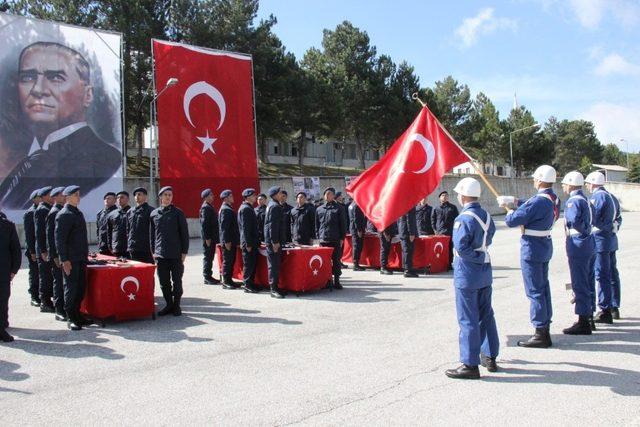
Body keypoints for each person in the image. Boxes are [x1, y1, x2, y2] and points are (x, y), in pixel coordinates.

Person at [0, 42, 121, 208]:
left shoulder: (105, 159)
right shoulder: (27, 159)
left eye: (56, 78)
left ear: (88, 94)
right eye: (28, 77)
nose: (38, 89)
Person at [501, 165, 560, 348]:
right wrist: (515, 200)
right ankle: (545, 327)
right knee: (543, 288)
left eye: (535, 178)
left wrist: (510, 210)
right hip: (543, 245)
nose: (533, 180)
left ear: (541, 179)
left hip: (532, 248)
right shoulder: (552, 198)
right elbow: (532, 205)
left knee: (534, 290)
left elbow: (512, 221)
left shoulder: (538, 201)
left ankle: (540, 331)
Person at [445, 178, 498, 379]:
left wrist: (476, 255)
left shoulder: (463, 219)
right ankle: (490, 356)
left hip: (468, 272)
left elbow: (461, 247)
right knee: (486, 315)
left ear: (464, 195)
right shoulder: (485, 215)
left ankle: (469, 363)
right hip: (484, 271)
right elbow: (489, 236)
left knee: (468, 318)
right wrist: (481, 253)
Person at [560, 171, 595, 335]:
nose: (563, 187)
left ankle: (583, 321)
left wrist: (581, 231)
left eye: (565, 184)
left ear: (571, 184)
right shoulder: (585, 199)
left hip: (578, 243)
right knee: (587, 280)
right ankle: (588, 317)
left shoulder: (573, 201)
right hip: (587, 242)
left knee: (579, 282)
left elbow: (573, 221)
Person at [584, 171, 618, 324]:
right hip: (610, 238)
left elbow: (592, 217)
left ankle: (605, 309)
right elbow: (618, 218)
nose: (587, 186)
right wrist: (613, 227)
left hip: (600, 239)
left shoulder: (598, 197)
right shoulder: (611, 196)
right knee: (612, 274)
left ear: (592, 183)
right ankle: (613, 306)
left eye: (588, 183)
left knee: (602, 274)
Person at [150, 186, 189, 317]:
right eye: (165, 195)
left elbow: (184, 234)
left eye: (170, 195)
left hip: (175, 253)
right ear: (160, 197)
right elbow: (152, 235)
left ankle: (176, 305)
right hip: (160, 254)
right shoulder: (154, 214)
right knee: (164, 282)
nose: (168, 197)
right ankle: (169, 304)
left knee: (177, 281)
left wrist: (184, 252)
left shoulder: (178, 213)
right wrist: (153, 251)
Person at [54, 185, 89, 331]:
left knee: (80, 288)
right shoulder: (64, 214)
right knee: (71, 288)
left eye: (79, 194)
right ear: (67, 197)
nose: (78, 197)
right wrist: (64, 260)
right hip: (71, 259)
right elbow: (60, 239)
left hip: (80, 257)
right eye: (75, 195)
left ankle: (78, 314)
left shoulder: (77, 213)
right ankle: (71, 317)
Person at [315, 187, 348, 289]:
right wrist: (318, 237)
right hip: (323, 239)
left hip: (335, 239)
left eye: (329, 194)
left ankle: (337, 281)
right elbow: (317, 225)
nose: (327, 195)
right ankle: (328, 280)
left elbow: (343, 224)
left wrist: (342, 238)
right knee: (325, 262)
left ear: (333, 196)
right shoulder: (319, 209)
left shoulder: (339, 208)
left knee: (336, 260)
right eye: (326, 194)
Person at [46, 186, 67, 321]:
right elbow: (51, 236)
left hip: (62, 254)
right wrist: (54, 255)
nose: (65, 196)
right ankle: (59, 310)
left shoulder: (61, 210)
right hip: (57, 256)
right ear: (55, 197)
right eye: (62, 194)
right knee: (59, 282)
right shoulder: (54, 212)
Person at [0, 207, 21, 342]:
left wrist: (14, 270)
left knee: (2, 301)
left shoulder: (7, 225)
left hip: (3, 271)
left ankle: (1, 329)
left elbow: (15, 250)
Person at [34, 186, 54, 312]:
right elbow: (40, 232)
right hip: (44, 250)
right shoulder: (42, 210)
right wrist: (43, 250)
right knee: (45, 277)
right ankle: (45, 303)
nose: (52, 197)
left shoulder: (48, 208)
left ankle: (47, 300)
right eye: (50, 195)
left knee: (48, 276)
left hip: (47, 248)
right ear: (44, 196)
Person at [264, 186, 286, 298]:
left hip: (273, 240)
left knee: (275, 264)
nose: (282, 194)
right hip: (274, 242)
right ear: (275, 194)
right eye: (280, 192)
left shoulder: (272, 205)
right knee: (273, 265)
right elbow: (273, 225)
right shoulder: (275, 206)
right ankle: (273, 289)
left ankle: (275, 286)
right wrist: (275, 242)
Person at [238, 188, 260, 293]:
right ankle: (247, 284)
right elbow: (245, 228)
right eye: (253, 195)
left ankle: (251, 283)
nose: (255, 196)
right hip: (249, 243)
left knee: (252, 264)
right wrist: (248, 243)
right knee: (248, 264)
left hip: (252, 241)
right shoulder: (245, 209)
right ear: (247, 197)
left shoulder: (248, 208)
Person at [431, 191, 459, 270]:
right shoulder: (436, 208)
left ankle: (449, 264)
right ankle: (441, 264)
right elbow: (433, 219)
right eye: (443, 195)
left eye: (446, 195)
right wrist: (435, 230)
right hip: (440, 232)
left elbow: (457, 219)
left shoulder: (453, 207)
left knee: (450, 248)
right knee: (440, 248)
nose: (445, 197)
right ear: (439, 197)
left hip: (450, 231)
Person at [23, 189, 41, 307]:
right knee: (34, 274)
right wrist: (32, 251)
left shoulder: (42, 210)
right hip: (33, 249)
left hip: (40, 248)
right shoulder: (30, 213)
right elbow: (29, 234)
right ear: (34, 199)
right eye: (40, 197)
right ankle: (34, 296)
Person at [219, 189, 240, 289]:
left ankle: (229, 280)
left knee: (231, 261)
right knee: (227, 261)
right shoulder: (225, 209)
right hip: (228, 241)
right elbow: (224, 227)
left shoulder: (228, 208)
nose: (233, 197)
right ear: (226, 198)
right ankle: (226, 282)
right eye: (231, 196)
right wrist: (226, 241)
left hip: (231, 240)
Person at [127, 187, 154, 264]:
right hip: (133, 247)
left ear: (145, 197)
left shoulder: (151, 211)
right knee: (135, 273)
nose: (137, 196)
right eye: (135, 195)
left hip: (146, 248)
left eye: (139, 194)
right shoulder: (130, 211)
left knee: (147, 272)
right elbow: (128, 229)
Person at [199, 188, 220, 285]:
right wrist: (207, 238)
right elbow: (205, 224)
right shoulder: (205, 208)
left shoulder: (209, 206)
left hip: (211, 237)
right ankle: (207, 277)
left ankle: (209, 275)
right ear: (206, 197)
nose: (213, 196)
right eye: (211, 195)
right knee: (208, 256)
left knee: (210, 256)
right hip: (209, 238)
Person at [107, 191, 130, 258]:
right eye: (118, 198)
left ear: (128, 199)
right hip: (116, 247)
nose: (119, 199)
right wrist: (110, 246)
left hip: (129, 248)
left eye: (122, 197)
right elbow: (110, 231)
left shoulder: (132, 212)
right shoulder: (112, 214)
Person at [398, 207, 419, 278]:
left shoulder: (403, 206)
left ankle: (408, 268)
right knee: (408, 251)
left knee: (406, 251)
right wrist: (411, 233)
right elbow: (409, 219)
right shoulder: (410, 205)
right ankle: (407, 270)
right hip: (407, 232)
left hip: (403, 231)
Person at [348, 200, 367, 271]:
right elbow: (356, 219)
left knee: (356, 246)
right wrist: (359, 230)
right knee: (357, 246)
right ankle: (356, 264)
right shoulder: (356, 205)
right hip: (357, 229)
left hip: (353, 228)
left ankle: (356, 263)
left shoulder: (351, 205)